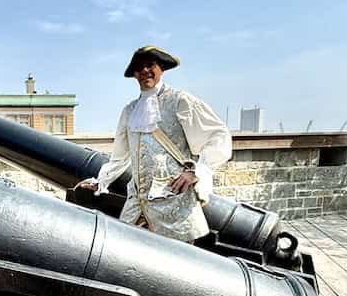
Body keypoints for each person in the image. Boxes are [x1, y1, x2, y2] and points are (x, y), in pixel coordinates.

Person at [76, 45, 231, 242]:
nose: (145, 72)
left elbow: (219, 136)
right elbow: (121, 157)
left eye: (150, 65)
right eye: (139, 68)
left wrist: (196, 172)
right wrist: (100, 182)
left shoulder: (180, 101)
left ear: (162, 69)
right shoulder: (129, 111)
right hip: (137, 206)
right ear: (134, 74)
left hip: (173, 205)